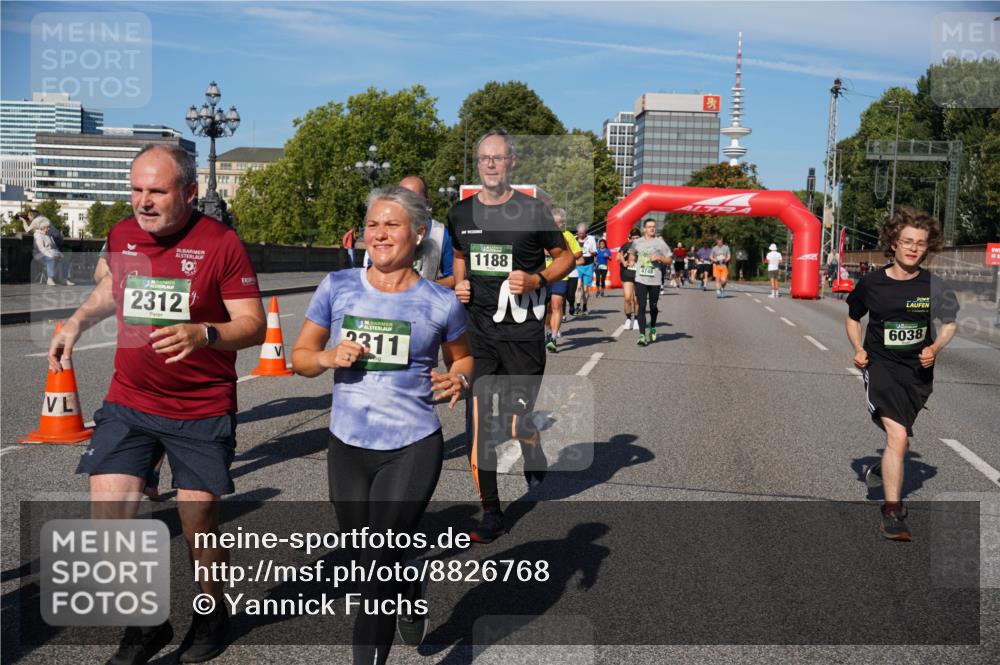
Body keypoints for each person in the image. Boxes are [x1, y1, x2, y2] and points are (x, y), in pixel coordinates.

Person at [49, 144, 267, 665]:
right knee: (109, 519)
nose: (143, 201)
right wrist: (76, 323)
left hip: (200, 405)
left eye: (156, 191)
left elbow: (253, 325)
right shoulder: (123, 234)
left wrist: (205, 332)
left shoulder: (221, 243)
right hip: (131, 398)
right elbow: (112, 289)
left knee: (198, 518)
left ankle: (211, 610)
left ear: (189, 192)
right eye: (136, 190)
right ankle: (145, 623)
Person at [292, 185, 472, 662]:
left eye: (392, 224)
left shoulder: (440, 301)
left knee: (375, 575)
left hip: (412, 444)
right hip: (348, 444)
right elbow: (301, 357)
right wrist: (328, 357)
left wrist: (459, 379)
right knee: (365, 561)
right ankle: (409, 583)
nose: (380, 234)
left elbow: (464, 358)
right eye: (373, 224)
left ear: (418, 233)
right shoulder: (338, 286)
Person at [449, 129, 574, 543]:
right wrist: (460, 283)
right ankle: (491, 512)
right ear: (478, 164)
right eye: (484, 158)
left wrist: (538, 278)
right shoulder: (461, 213)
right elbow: (461, 255)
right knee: (480, 424)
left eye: (498, 157)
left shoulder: (533, 211)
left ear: (511, 163)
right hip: (479, 335)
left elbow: (566, 258)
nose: (490, 164)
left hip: (522, 335)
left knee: (515, 421)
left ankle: (530, 440)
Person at [845, 208, 959, 541]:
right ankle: (892, 512)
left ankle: (884, 468)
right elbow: (853, 317)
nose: (913, 248)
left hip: (917, 372)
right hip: (880, 366)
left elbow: (950, 323)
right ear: (893, 243)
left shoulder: (934, 285)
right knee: (898, 437)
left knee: (899, 439)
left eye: (920, 244)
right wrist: (858, 348)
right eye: (907, 241)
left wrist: (935, 347)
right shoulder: (872, 282)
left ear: (927, 248)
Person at [361, 175, 456, 288]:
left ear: (427, 203)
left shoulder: (441, 234)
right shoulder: (378, 239)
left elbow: (454, 277)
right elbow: (369, 273)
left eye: (414, 198)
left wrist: (423, 288)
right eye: (401, 196)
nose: (380, 235)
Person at [629, 218, 672, 346]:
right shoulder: (637, 242)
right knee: (641, 306)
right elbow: (632, 254)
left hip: (655, 280)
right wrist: (631, 260)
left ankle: (652, 326)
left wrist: (659, 257)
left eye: (653, 226)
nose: (652, 228)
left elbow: (669, 260)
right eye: (649, 227)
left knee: (653, 306)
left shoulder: (661, 243)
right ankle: (642, 335)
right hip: (641, 279)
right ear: (644, 229)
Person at [545, 208, 582, 353]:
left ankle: (553, 338)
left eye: (559, 223)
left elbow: (578, 253)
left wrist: (564, 255)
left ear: (563, 223)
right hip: (544, 275)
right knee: (547, 307)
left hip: (561, 275)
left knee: (557, 304)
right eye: (554, 222)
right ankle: (549, 331)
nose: (557, 225)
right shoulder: (543, 235)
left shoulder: (567, 235)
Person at [32, 219, 74, 286]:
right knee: (50, 259)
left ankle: (65, 279)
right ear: (42, 227)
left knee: (65, 260)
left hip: (51, 253)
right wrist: (50, 255)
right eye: (47, 227)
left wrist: (59, 254)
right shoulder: (37, 235)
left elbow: (54, 247)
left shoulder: (49, 235)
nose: (49, 229)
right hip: (40, 255)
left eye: (49, 227)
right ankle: (50, 279)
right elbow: (41, 248)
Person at [618, 227, 641, 329]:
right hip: (627, 274)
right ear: (630, 238)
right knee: (627, 298)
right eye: (633, 238)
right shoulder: (626, 245)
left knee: (637, 300)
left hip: (640, 276)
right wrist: (624, 262)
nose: (635, 240)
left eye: (637, 237)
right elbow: (619, 256)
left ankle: (636, 319)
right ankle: (628, 318)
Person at [574, 223, 598, 315]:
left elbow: (595, 252)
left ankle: (584, 305)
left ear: (585, 232)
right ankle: (577, 306)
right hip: (578, 265)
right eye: (579, 233)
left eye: (583, 233)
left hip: (588, 265)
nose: (581, 235)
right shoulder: (574, 239)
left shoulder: (591, 239)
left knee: (586, 289)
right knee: (578, 287)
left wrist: (592, 252)